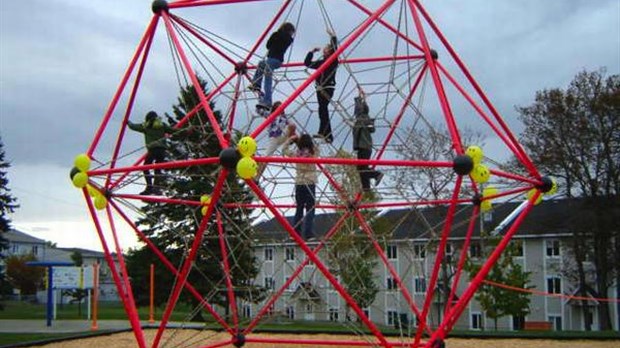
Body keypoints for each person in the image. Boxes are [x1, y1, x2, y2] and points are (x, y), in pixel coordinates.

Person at [250, 22, 296, 113]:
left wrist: (276, 34)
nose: (292, 34)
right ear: (289, 31)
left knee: (268, 78)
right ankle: (256, 84)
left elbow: (268, 45)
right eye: (291, 31)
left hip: (273, 60)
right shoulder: (288, 39)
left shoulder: (279, 35)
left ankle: (267, 101)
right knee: (261, 64)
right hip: (275, 61)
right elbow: (271, 45)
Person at [304, 28, 338, 143]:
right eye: (324, 50)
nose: (324, 51)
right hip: (319, 88)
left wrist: (333, 36)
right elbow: (307, 63)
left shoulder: (333, 60)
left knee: (323, 109)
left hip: (328, 87)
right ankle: (323, 132)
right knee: (321, 110)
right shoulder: (321, 63)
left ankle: (327, 134)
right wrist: (311, 52)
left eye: (326, 49)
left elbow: (335, 49)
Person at [127, 111, 174, 195]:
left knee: (146, 167)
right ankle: (156, 188)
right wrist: (187, 130)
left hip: (153, 150)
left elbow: (133, 126)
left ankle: (149, 187)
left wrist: (128, 122)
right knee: (158, 168)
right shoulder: (162, 125)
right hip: (162, 150)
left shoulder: (146, 125)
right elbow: (172, 130)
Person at [283, 133, 319, 241]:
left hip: (299, 183)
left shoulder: (297, 153)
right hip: (310, 182)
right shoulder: (313, 153)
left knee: (299, 209)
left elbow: (284, 150)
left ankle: (295, 233)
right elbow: (317, 146)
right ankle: (309, 234)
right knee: (310, 209)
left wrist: (291, 139)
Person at [352, 87, 383, 192]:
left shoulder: (363, 118)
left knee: (362, 168)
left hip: (364, 146)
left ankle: (376, 174)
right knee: (361, 168)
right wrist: (361, 97)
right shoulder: (364, 119)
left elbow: (359, 107)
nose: (355, 111)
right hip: (364, 147)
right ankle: (366, 187)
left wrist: (360, 98)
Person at [256, 101, 297, 179]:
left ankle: (291, 140)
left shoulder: (284, 118)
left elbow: (291, 127)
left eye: (282, 107)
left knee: (292, 125)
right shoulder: (271, 115)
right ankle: (257, 177)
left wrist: (294, 136)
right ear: (275, 108)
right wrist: (261, 100)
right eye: (278, 107)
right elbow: (258, 110)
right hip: (274, 138)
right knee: (265, 158)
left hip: (282, 136)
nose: (280, 109)